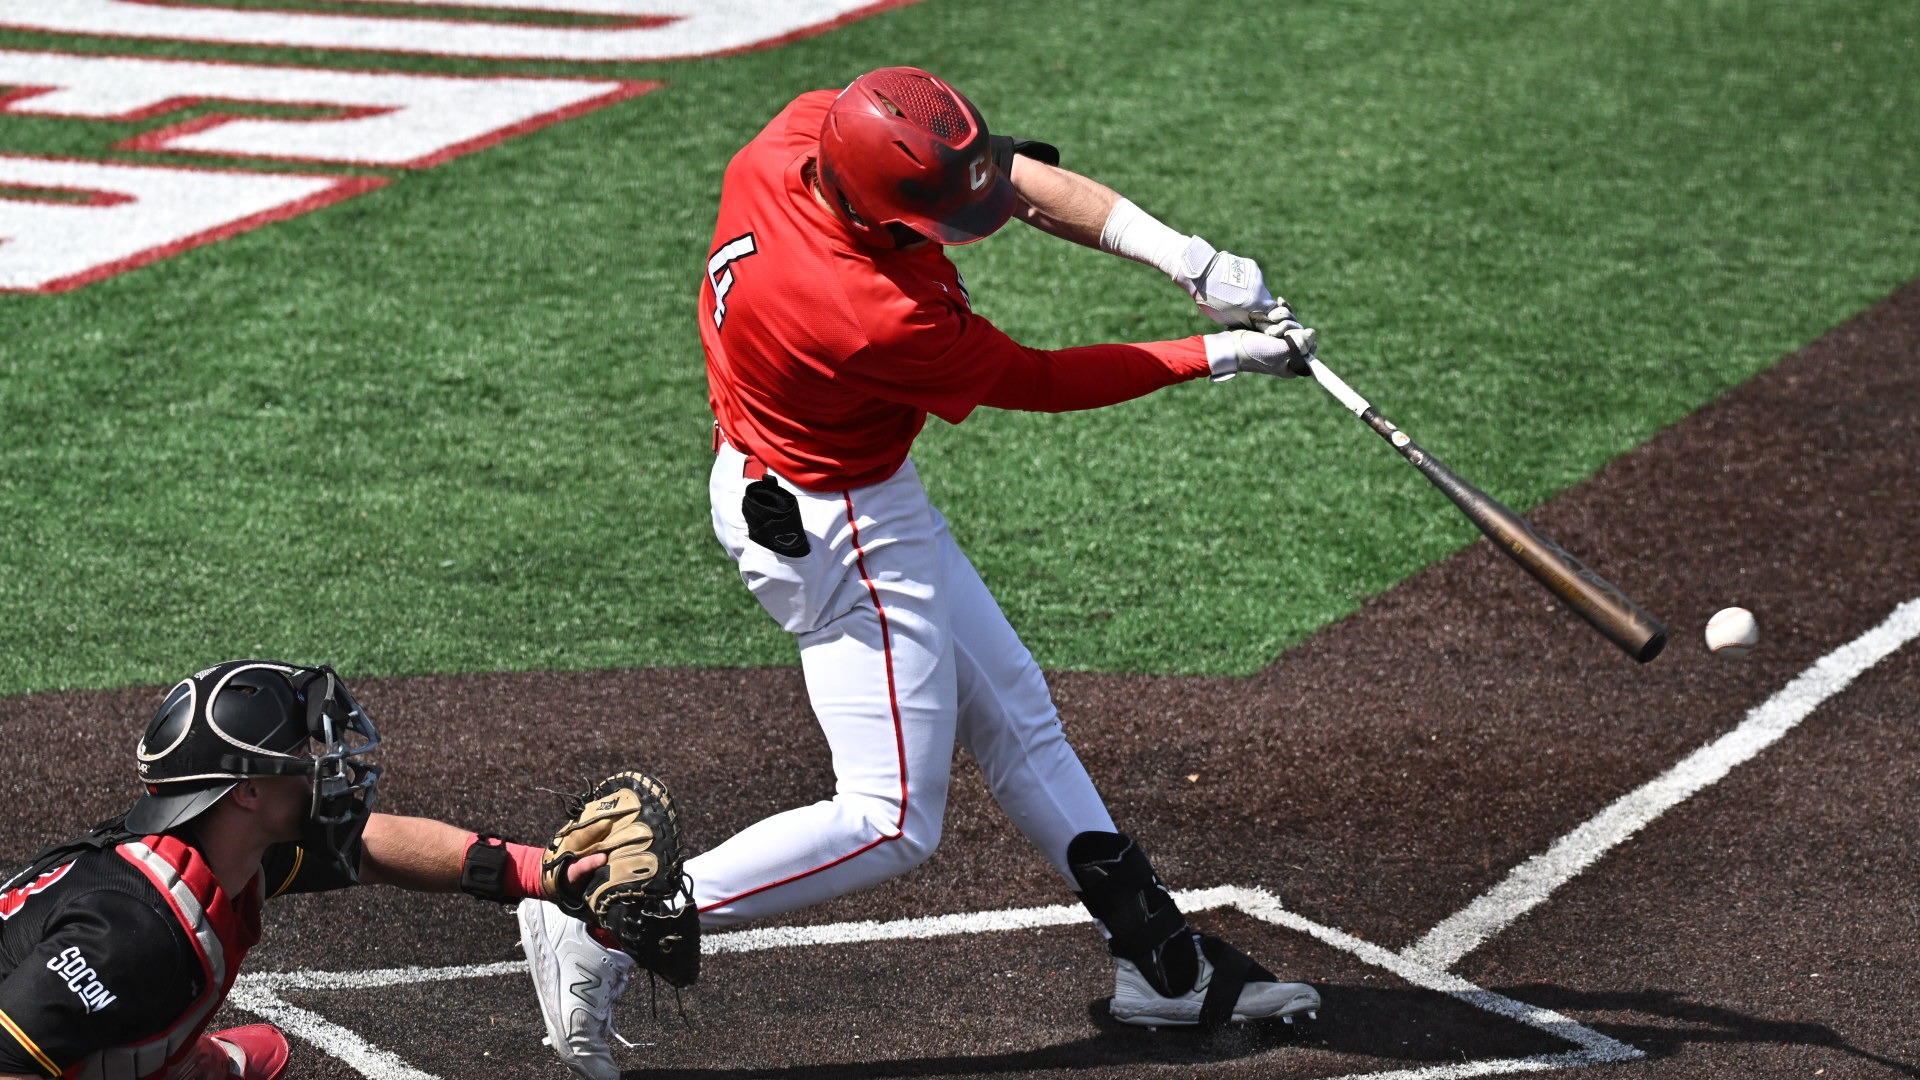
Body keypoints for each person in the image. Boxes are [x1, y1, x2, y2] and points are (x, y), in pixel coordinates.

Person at [518, 65, 1323, 1079]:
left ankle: (1161, 968)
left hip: (824, 481)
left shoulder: (801, 138)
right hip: (835, 519)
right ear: (872, 204)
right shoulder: (869, 313)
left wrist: (1192, 260)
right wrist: (1213, 355)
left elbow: (1014, 177)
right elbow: (1036, 379)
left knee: (1018, 712)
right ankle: (603, 922)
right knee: (890, 818)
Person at [0, 660, 605, 1080]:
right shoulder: (135, 932)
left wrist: (540, 872)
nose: (325, 772)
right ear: (247, 792)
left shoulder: (222, 853)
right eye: (299, 758)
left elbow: (370, 846)